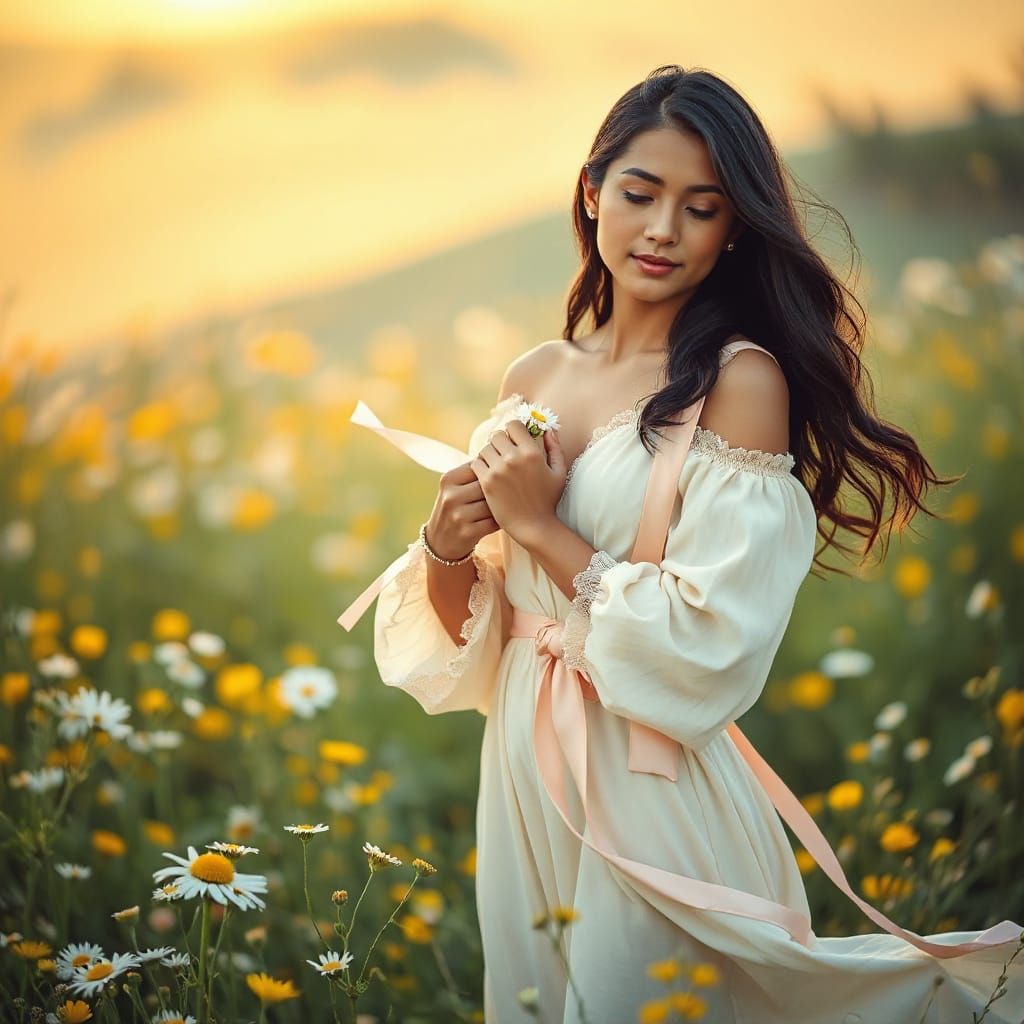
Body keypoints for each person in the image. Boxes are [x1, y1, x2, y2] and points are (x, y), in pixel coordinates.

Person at [339, 65, 1023, 1023]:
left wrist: (537, 522)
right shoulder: (534, 372)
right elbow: (488, 652)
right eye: (641, 193)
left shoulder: (742, 385)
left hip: (648, 780)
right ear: (592, 192)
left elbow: (711, 646)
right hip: (524, 775)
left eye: (701, 208)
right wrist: (450, 549)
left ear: (733, 226)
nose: (663, 229)